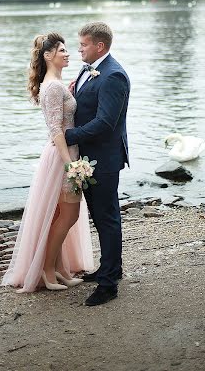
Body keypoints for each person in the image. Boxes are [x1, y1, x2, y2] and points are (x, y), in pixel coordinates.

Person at [1, 33, 93, 292]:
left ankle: (61, 270)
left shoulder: (57, 84)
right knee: (69, 215)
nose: (68, 53)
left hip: (67, 154)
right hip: (63, 157)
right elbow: (55, 129)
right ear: (48, 55)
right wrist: (70, 165)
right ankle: (47, 270)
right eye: (62, 50)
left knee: (61, 217)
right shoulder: (52, 87)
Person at [66, 22, 130, 306]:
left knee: (107, 218)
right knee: (99, 215)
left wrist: (68, 135)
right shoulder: (88, 68)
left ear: (99, 46)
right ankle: (110, 269)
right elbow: (85, 104)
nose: (78, 49)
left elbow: (105, 123)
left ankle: (108, 285)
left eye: (83, 44)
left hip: (103, 159)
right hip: (87, 158)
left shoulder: (113, 75)